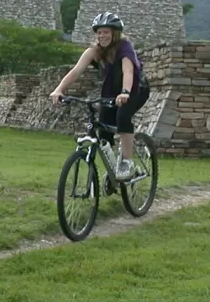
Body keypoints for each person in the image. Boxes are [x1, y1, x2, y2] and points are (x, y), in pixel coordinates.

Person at [50, 11, 151, 181]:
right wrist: (59, 89)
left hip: (135, 89)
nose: (102, 35)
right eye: (99, 32)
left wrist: (125, 92)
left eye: (106, 32)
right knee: (103, 129)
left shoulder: (124, 47)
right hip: (111, 92)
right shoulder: (94, 51)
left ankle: (127, 162)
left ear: (114, 33)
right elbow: (75, 71)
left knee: (123, 116)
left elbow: (128, 72)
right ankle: (113, 171)